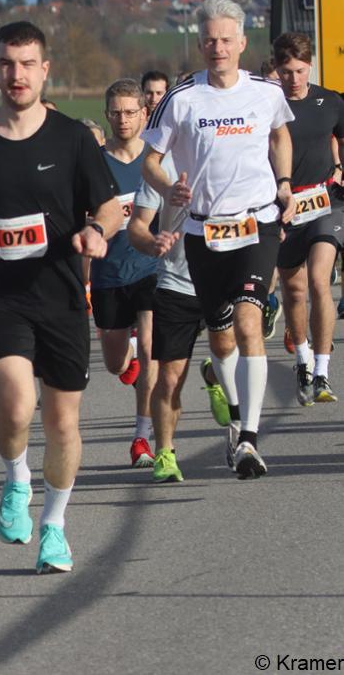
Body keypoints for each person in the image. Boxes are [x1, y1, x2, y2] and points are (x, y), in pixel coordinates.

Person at [0, 21, 122, 573]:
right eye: (7, 64)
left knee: (64, 423)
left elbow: (107, 205)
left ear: (44, 70)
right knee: (15, 403)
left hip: (60, 294)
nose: (17, 74)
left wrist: (98, 232)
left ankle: (55, 526)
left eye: (27, 64)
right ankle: (17, 480)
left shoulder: (72, 139)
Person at [142, 0, 295, 480]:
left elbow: (279, 136)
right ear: (200, 42)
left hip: (257, 223)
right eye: (209, 39)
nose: (217, 47)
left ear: (242, 43)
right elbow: (150, 160)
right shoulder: (182, 98)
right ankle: (234, 412)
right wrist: (171, 187)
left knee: (250, 322)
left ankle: (249, 438)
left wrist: (285, 183)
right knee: (222, 335)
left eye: (226, 39)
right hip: (202, 230)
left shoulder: (265, 92)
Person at [128, 125, 239, 483]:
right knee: (170, 377)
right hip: (177, 282)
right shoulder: (163, 168)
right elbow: (138, 225)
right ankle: (165, 452)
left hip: (224, 279)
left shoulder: (234, 158)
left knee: (234, 362)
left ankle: (224, 396)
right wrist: (151, 243)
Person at [272, 32, 344, 404]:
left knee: (319, 280)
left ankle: (322, 370)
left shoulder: (330, 101)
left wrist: (341, 169)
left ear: (310, 65)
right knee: (295, 290)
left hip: (326, 201)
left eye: (299, 71)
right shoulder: (267, 105)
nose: (294, 79)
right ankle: (301, 359)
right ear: (276, 69)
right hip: (282, 208)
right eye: (286, 72)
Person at [93, 80, 160, 467]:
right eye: (116, 112)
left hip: (151, 267)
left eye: (130, 112)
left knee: (153, 347)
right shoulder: (95, 163)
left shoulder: (156, 159)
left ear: (143, 114)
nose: (123, 119)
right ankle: (129, 359)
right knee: (116, 363)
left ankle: (142, 437)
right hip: (110, 274)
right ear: (107, 115)